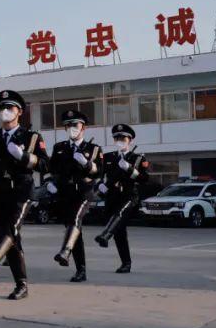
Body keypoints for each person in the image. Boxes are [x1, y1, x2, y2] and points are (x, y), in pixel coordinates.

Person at [0, 90, 49, 300]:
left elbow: (44, 164)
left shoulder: (31, 137)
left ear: (19, 112)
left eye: (10, 108)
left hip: (21, 192)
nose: (5, 112)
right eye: (2, 108)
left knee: (11, 229)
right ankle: (22, 285)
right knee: (12, 238)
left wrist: (25, 157)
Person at [45, 109, 103, 282]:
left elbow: (98, 172)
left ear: (83, 127)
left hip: (84, 192)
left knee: (75, 221)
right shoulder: (59, 148)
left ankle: (65, 251)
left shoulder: (93, 149)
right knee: (74, 229)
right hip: (64, 193)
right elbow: (51, 169)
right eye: (68, 125)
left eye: (75, 125)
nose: (71, 128)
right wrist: (50, 183)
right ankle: (81, 270)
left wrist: (86, 163)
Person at [94, 124, 149, 274]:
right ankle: (126, 263)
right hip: (113, 197)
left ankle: (105, 235)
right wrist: (101, 186)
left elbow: (145, 179)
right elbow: (101, 176)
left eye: (123, 138)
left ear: (130, 140)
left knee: (119, 214)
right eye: (117, 138)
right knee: (120, 232)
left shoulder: (138, 158)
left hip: (130, 196)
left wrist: (130, 170)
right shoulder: (108, 157)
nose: (120, 140)